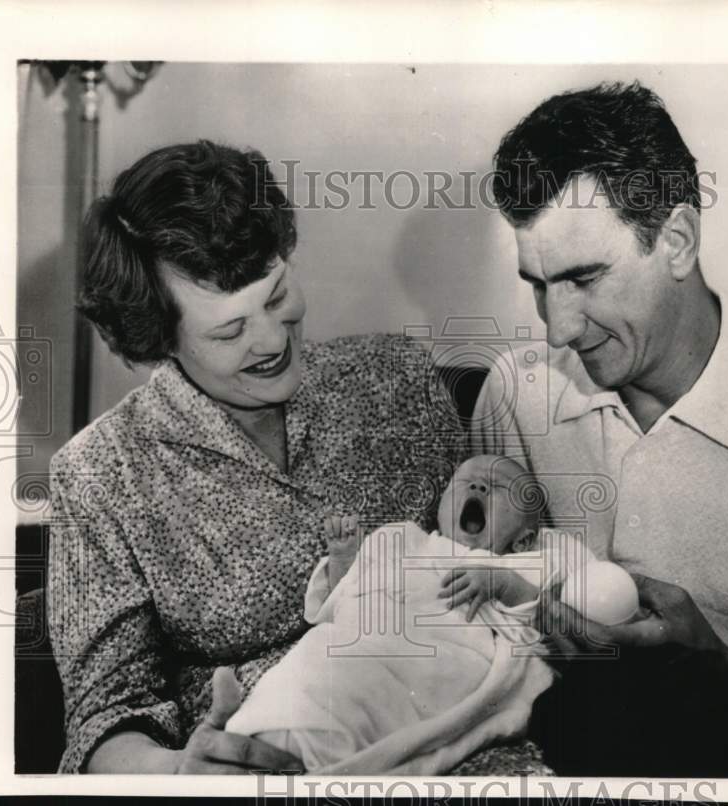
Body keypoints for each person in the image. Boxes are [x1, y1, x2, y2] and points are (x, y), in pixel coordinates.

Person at [473, 81, 728, 777]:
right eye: (538, 284)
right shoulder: (515, 393)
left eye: (585, 279)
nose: (557, 327)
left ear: (677, 241)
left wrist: (716, 668)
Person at [46, 140, 467, 774]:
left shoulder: (399, 381)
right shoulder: (101, 473)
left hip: (465, 748)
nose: (271, 340)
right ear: (160, 338)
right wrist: (176, 774)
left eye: (275, 298)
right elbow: (106, 716)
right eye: (229, 329)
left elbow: (488, 566)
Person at [224, 455, 580, 774]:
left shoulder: (522, 566)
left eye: (498, 487)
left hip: (441, 658)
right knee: (321, 654)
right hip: (363, 638)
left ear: (522, 540)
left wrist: (504, 584)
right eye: (464, 479)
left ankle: (309, 747)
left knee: (364, 688)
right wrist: (346, 559)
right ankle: (274, 733)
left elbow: (539, 633)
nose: (477, 484)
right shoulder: (405, 540)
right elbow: (343, 598)